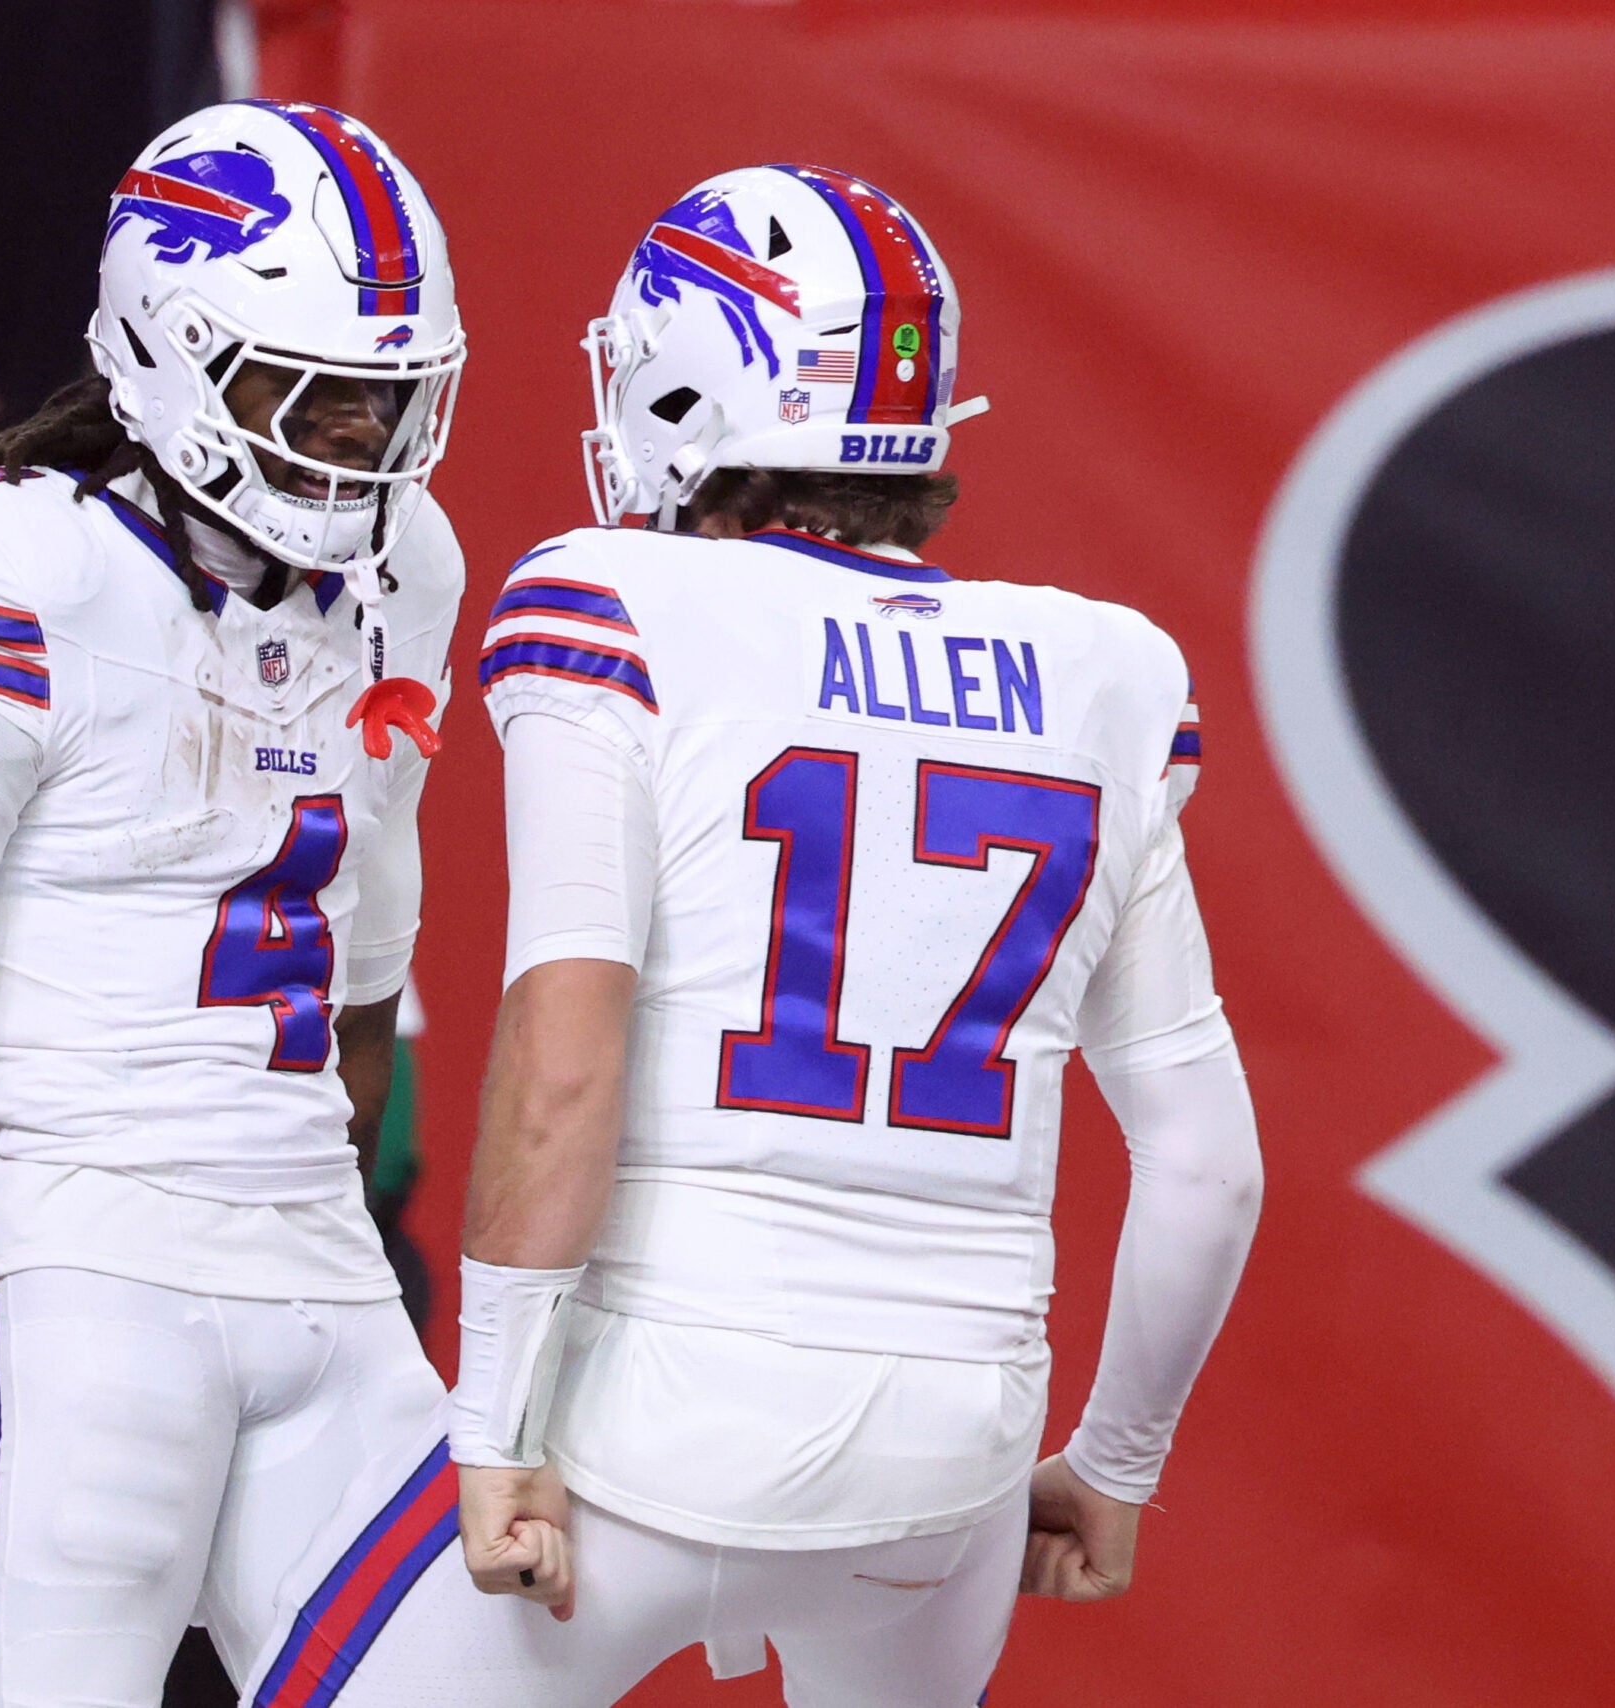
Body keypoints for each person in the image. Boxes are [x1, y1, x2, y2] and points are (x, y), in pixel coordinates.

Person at [246, 166, 1265, 1708]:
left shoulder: (618, 601)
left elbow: (562, 1060)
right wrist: (1114, 1462)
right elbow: (1206, 1163)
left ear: (689, 387)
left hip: (656, 1414)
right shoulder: (1106, 670)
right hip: (957, 1453)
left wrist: (498, 1429)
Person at [0, 100, 466, 1706]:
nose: (362, 439)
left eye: (388, 395)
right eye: (318, 393)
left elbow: (365, 994)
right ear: (169, 350)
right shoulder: (13, 563)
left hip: (325, 1278)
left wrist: (314, 1210)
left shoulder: (406, 563)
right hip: (89, 1282)